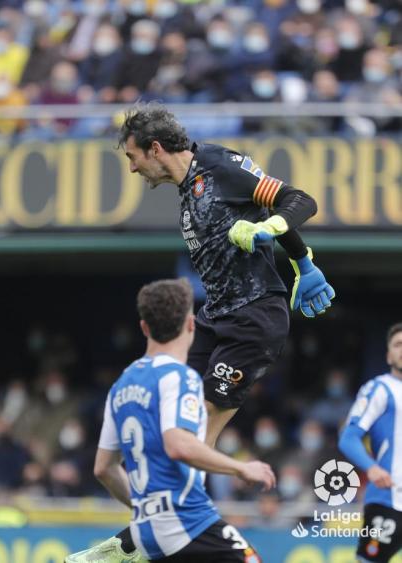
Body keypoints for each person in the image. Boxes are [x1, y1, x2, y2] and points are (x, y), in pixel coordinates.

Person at [66, 102, 335, 562]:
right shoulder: (189, 187)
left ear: (155, 149)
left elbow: (296, 200)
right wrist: (303, 261)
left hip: (254, 321)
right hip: (216, 317)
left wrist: (278, 233)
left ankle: (137, 544)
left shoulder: (219, 165)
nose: (131, 169)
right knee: (163, 410)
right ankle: (143, 534)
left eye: (132, 158)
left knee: (195, 437)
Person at [67, 279, 275, 562]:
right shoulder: (180, 377)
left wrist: (145, 509)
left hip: (148, 530)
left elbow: (104, 468)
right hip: (188, 522)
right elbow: (180, 445)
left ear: (144, 328)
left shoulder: (121, 385)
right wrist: (240, 468)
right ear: (191, 324)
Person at [338, 323, 402, 563]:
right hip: (390, 500)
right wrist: (372, 468)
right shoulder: (379, 389)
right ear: (388, 355)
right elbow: (348, 437)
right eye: (398, 345)